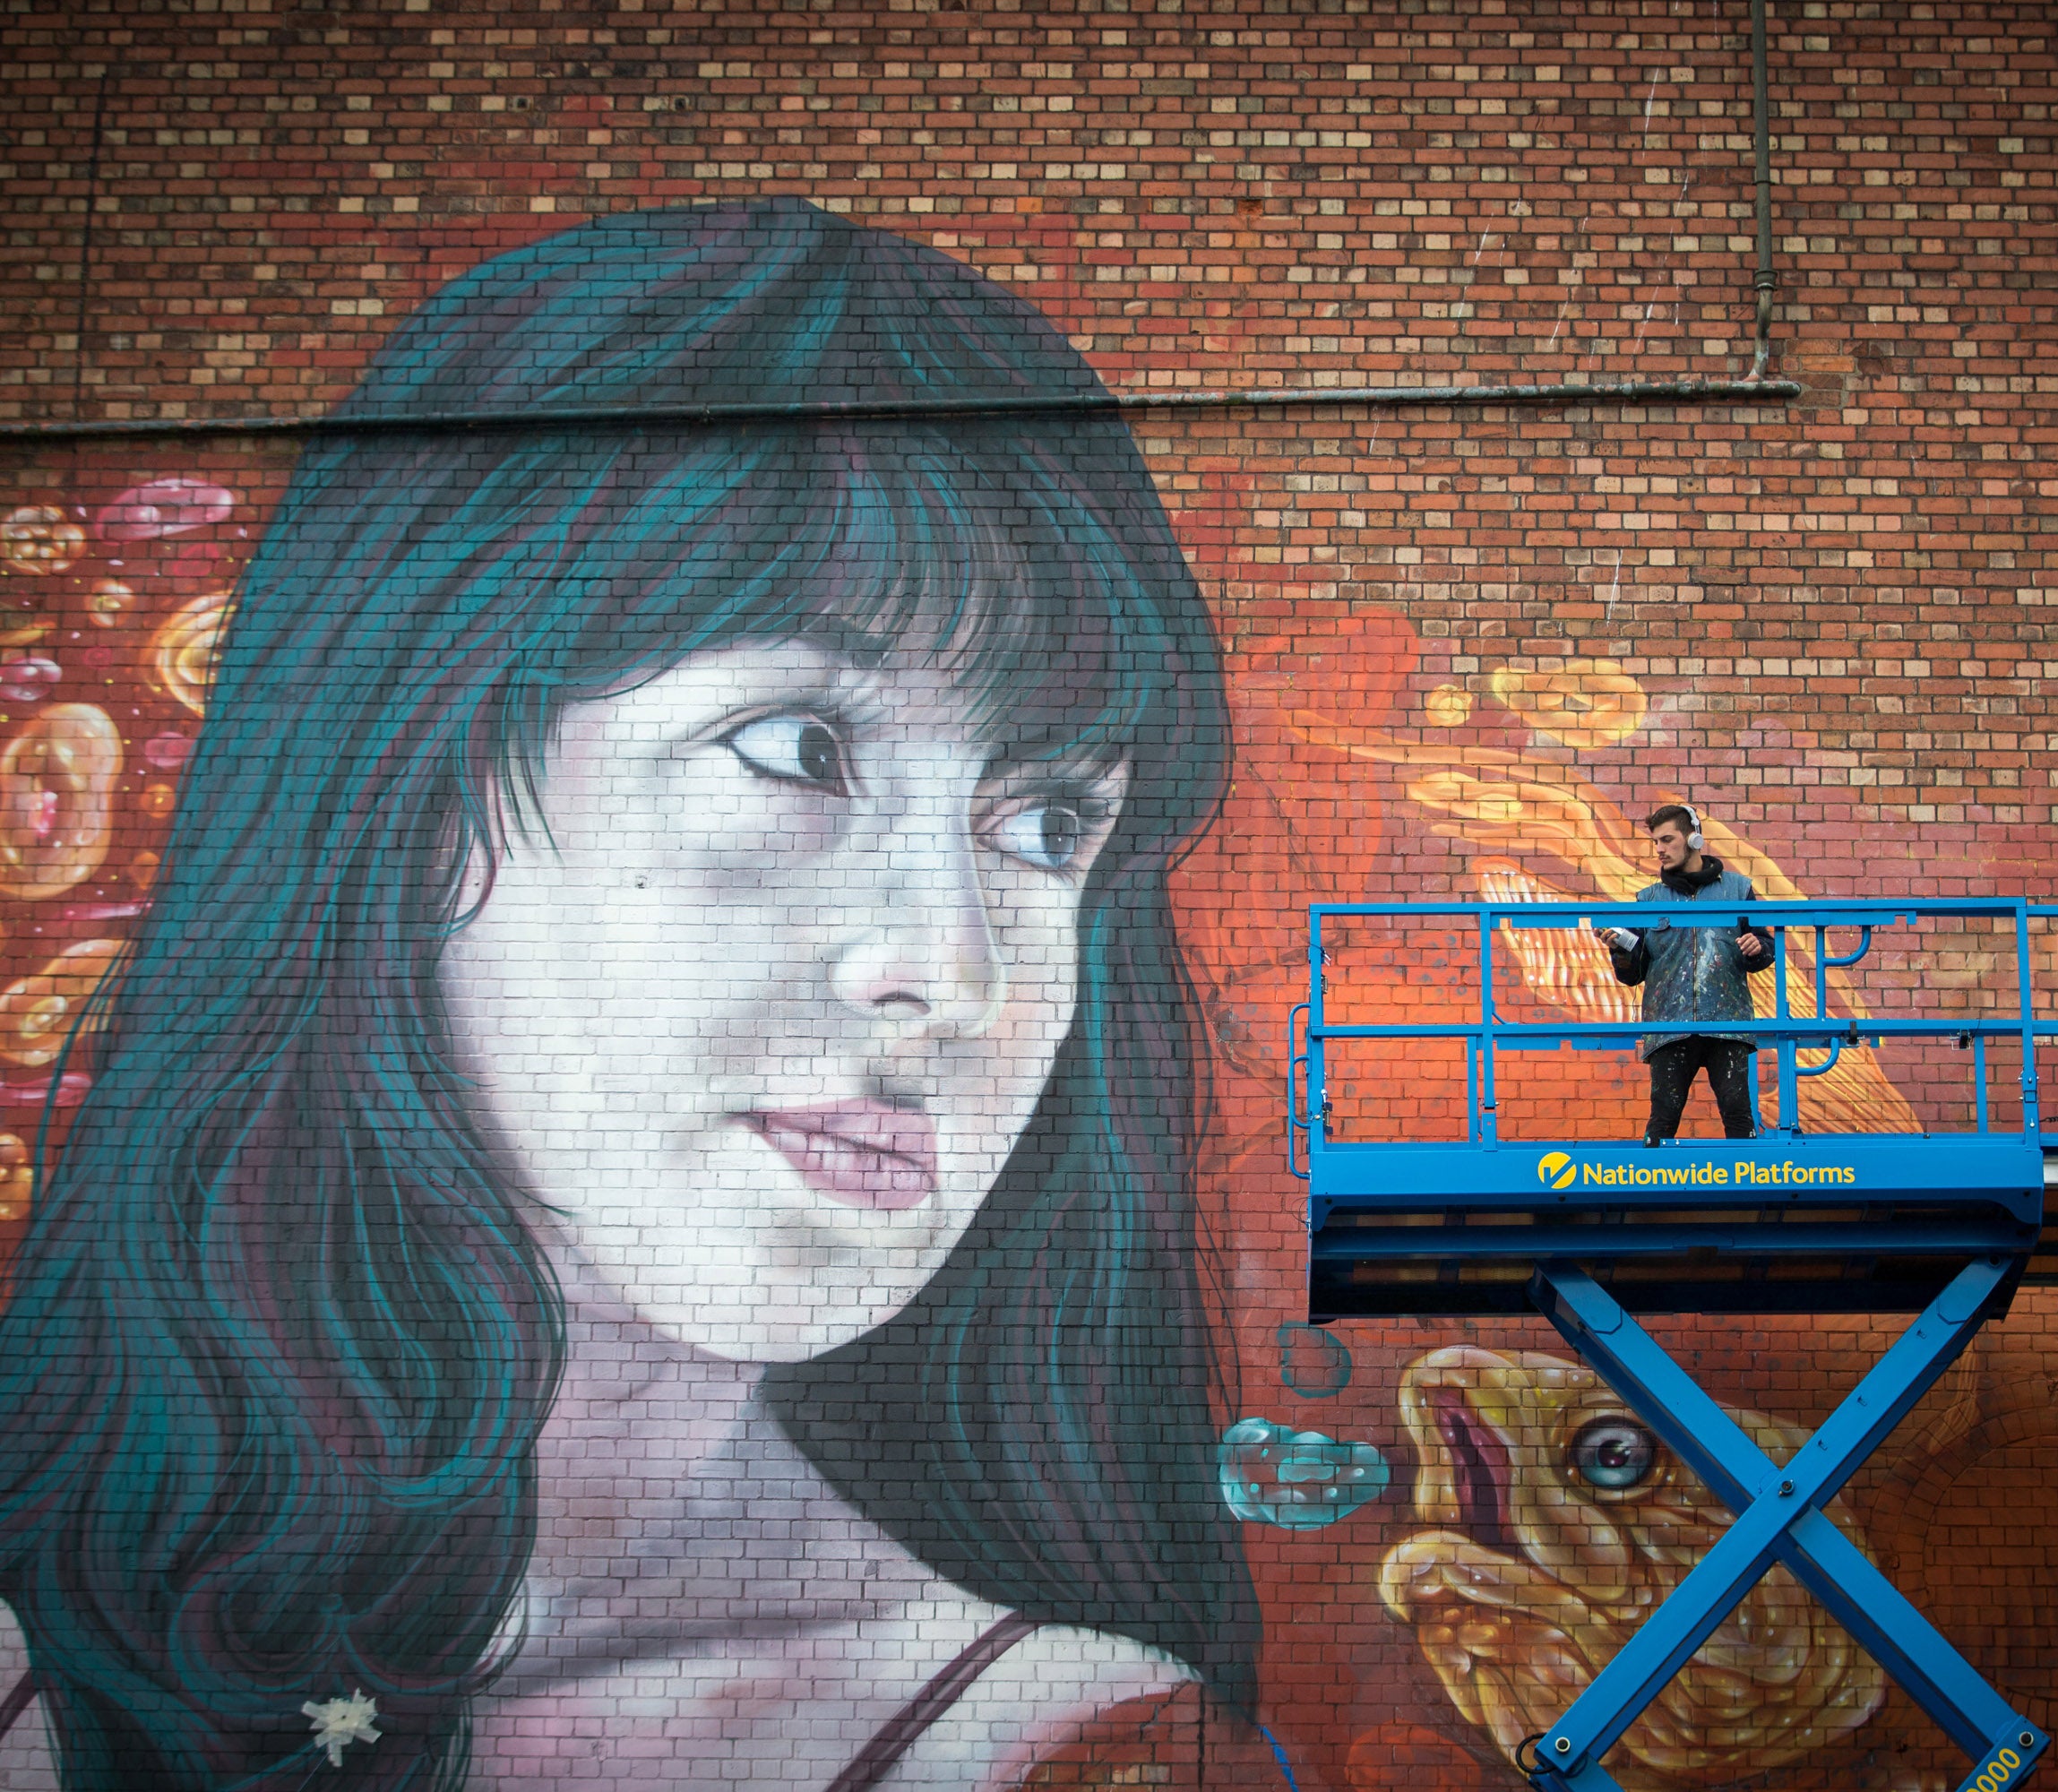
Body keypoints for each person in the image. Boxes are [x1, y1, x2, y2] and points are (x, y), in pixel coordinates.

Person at [0, 199, 1280, 1791]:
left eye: (1045, 827)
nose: (949, 974)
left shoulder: (1060, 1751)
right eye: (802, 751)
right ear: (421, 779)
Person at [1600, 805, 1777, 1144]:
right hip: (1669, 1024)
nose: (1660, 850)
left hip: (1728, 1021)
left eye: (1667, 839)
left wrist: (1757, 947)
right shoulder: (1649, 900)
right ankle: (1650, 1192)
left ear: (1694, 839)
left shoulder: (1738, 891)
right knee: (1663, 1115)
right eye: (1656, 843)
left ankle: (1750, 1194)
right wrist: (1620, 951)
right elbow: (1633, 975)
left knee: (1738, 1111)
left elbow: (1765, 949)